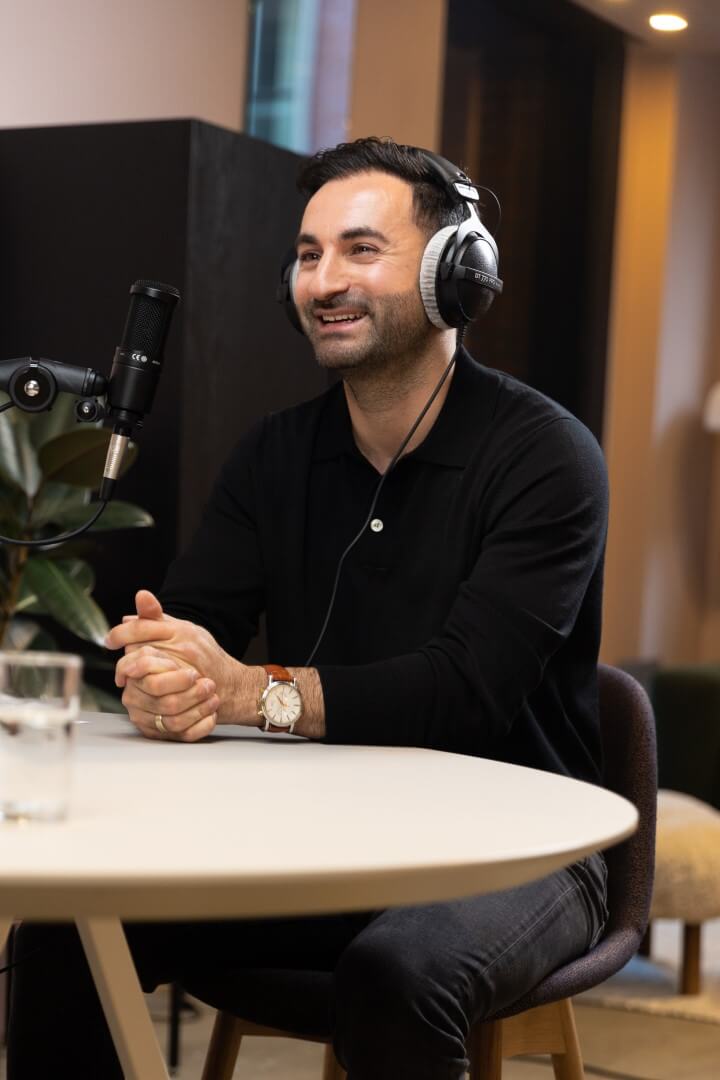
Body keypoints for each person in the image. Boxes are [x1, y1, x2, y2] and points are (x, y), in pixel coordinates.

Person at [7, 137, 609, 1079]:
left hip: (520, 853)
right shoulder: (273, 456)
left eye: (362, 249)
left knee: (398, 972)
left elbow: (469, 691)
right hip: (321, 834)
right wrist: (162, 677)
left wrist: (247, 694)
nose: (325, 279)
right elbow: (191, 625)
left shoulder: (545, 458)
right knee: (71, 930)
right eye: (307, 253)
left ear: (459, 270)